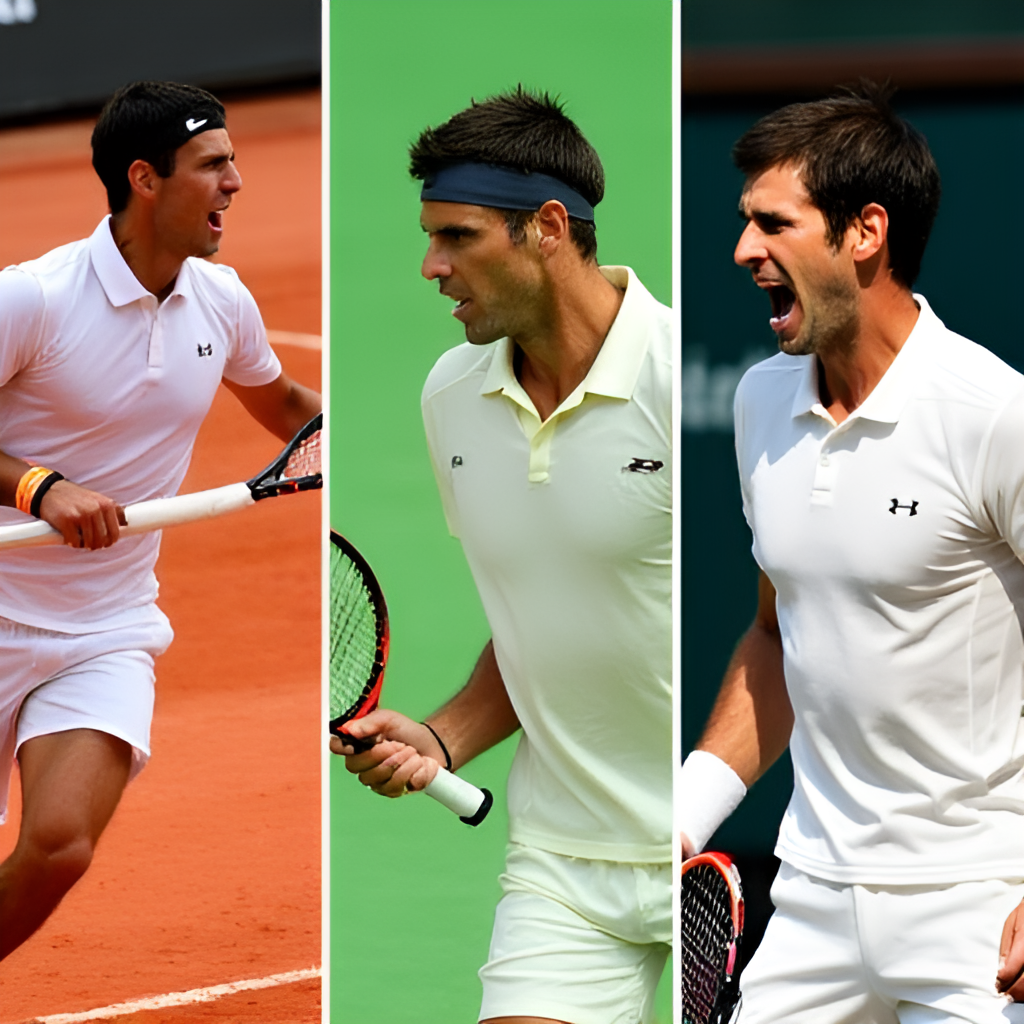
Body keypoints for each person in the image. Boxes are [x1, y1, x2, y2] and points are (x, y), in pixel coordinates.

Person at [678, 81, 1024, 1022]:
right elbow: (774, 632)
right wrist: (685, 811)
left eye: (774, 224)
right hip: (813, 900)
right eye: (747, 223)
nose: (744, 251)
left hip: (981, 907)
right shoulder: (760, 402)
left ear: (864, 232)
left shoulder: (994, 414)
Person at [331, 88, 672, 1024]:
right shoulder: (454, 394)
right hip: (564, 859)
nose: (431, 266)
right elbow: (545, 616)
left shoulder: (688, 386)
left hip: (726, 844)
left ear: (550, 228)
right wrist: (445, 735)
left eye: (458, 237)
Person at [0, 80, 320, 961]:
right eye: (213, 164)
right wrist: (38, 487)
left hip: (106, 625)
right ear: (145, 177)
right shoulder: (32, 299)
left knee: (60, 844)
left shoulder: (221, 300)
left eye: (234, 162)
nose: (236, 182)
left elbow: (287, 402)